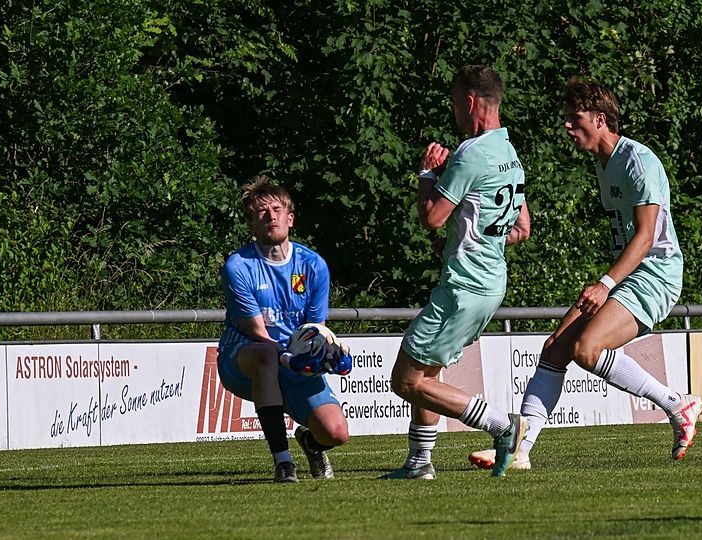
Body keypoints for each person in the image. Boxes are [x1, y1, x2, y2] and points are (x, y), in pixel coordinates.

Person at [470, 79, 702, 471]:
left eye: (574, 118)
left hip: (656, 276)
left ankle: (676, 404)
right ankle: (519, 451)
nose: (567, 125)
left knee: (586, 349)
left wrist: (606, 284)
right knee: (554, 349)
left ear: (599, 119)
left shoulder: (638, 161)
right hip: (629, 276)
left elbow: (646, 237)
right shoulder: (603, 164)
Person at [385, 64, 532, 480]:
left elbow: (432, 218)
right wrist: (468, 240)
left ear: (469, 102)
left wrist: (427, 174)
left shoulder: (471, 153)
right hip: (491, 282)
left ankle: (502, 426)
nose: (454, 112)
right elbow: (521, 229)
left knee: (406, 380)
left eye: (454, 103)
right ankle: (419, 463)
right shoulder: (509, 153)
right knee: (428, 372)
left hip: (465, 286)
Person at [217, 176, 352, 483]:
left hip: (294, 360)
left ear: (290, 218)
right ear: (252, 224)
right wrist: (290, 358)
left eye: (277, 210)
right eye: (261, 213)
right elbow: (257, 331)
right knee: (265, 354)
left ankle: (311, 442)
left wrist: (327, 353)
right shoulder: (238, 266)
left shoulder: (313, 265)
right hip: (244, 359)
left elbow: (315, 328)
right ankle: (283, 462)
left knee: (336, 433)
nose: (271, 217)